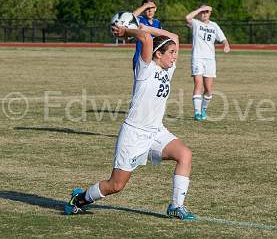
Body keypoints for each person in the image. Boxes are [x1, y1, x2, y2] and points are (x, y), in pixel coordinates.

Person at [64, 23, 196, 220]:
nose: (175, 56)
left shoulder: (168, 70)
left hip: (156, 131)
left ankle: (176, 206)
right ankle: (80, 199)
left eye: (176, 52)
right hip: (134, 134)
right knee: (116, 185)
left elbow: (174, 36)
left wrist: (147, 27)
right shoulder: (145, 69)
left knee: (185, 155)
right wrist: (127, 32)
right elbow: (145, 39)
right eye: (171, 52)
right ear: (157, 54)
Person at [186, 4, 230, 121]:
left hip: (210, 60)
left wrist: (226, 44)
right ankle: (197, 112)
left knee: (209, 89)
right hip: (198, 58)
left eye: (207, 12)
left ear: (210, 13)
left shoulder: (214, 25)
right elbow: (187, 18)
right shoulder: (196, 23)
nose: (205, 14)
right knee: (198, 84)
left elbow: (223, 38)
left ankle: (203, 108)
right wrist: (200, 9)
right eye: (203, 12)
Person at [132, 0, 162, 73]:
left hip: (153, 60)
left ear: (155, 8)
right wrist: (145, 6)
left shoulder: (157, 23)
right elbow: (131, 17)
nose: (149, 10)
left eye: (151, 7)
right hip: (140, 58)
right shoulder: (139, 20)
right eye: (147, 8)